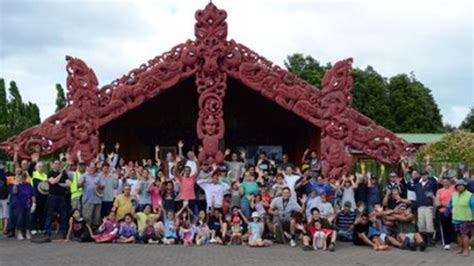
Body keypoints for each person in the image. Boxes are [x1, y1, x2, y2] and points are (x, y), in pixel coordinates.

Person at [42, 160, 71, 241]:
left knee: (64, 215)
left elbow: (69, 184)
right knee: (49, 215)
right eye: (56, 164)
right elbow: (53, 181)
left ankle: (64, 233)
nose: (57, 165)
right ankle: (47, 233)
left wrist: (60, 184)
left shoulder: (64, 174)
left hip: (62, 197)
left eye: (59, 164)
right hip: (52, 197)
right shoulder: (50, 173)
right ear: (52, 165)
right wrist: (61, 174)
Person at [447, 179, 474, 256]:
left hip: (466, 218)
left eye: (461, 186)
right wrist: (447, 211)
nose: (459, 187)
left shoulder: (470, 195)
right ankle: (460, 248)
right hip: (455, 218)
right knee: (458, 235)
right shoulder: (454, 194)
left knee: (464, 235)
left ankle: (466, 250)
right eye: (458, 186)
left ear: (465, 186)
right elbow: (450, 205)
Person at [412, 171, 437, 245]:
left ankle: (430, 240)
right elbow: (409, 186)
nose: (424, 177)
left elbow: (436, 187)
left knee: (429, 223)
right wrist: (412, 178)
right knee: (421, 224)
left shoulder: (431, 184)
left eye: (425, 175)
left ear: (427, 176)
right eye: (422, 175)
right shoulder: (417, 185)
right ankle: (423, 240)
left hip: (428, 206)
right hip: (420, 206)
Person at [79, 163, 105, 228]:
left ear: (95, 168)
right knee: (87, 218)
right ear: (88, 168)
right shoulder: (84, 176)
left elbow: (103, 187)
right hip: (88, 200)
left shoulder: (99, 176)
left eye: (93, 168)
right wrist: (82, 183)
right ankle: (86, 233)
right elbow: (78, 185)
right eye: (91, 167)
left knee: (96, 218)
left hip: (97, 200)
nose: (92, 169)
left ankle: (94, 232)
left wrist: (99, 186)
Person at [11, 170, 35, 240]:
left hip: (27, 204)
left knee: (28, 218)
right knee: (20, 218)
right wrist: (16, 184)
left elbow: (33, 195)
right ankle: (19, 232)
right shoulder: (17, 185)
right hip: (19, 204)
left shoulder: (28, 185)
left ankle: (27, 232)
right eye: (22, 177)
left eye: (24, 177)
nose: (23, 178)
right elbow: (14, 192)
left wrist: (34, 204)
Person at [435, 177, 455, 250]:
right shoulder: (439, 191)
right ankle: (447, 243)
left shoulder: (454, 189)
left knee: (454, 227)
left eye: (447, 181)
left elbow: (456, 201)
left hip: (454, 211)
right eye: (444, 182)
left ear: (450, 182)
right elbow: (437, 203)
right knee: (445, 227)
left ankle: (456, 241)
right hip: (443, 212)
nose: (445, 183)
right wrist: (446, 205)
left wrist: (443, 204)